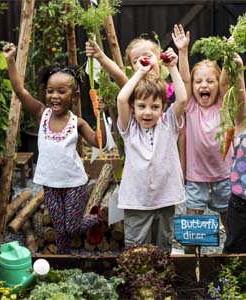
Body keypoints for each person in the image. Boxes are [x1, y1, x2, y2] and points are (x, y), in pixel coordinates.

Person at [3, 43, 107, 254]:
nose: (54, 96)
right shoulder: (42, 113)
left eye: (61, 91)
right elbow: (19, 89)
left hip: (74, 184)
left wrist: (100, 117)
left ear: (74, 96)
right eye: (50, 91)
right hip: (50, 184)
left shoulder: (77, 123)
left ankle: (96, 219)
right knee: (60, 229)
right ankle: (64, 261)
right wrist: (10, 60)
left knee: (72, 226)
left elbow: (99, 143)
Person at [116, 48, 187, 251]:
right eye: (142, 106)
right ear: (133, 108)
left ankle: (159, 281)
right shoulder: (129, 128)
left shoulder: (168, 124)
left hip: (166, 197)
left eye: (154, 107)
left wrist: (172, 67)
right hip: (137, 201)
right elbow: (122, 98)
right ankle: (138, 282)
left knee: (162, 245)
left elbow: (182, 99)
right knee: (137, 248)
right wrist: (139, 72)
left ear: (163, 107)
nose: (148, 112)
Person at [86, 37, 187, 179]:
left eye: (147, 56)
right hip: (137, 137)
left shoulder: (167, 86)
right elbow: (118, 74)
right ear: (133, 68)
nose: (142, 61)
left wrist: (174, 62)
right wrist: (100, 55)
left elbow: (182, 97)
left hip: (165, 140)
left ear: (158, 59)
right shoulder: (134, 91)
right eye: (135, 61)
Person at [172, 24, 233, 253]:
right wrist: (183, 52)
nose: (203, 85)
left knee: (231, 223)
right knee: (193, 229)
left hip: (224, 176)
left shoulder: (224, 104)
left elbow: (228, 80)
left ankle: (233, 258)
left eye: (210, 81)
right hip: (196, 177)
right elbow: (185, 81)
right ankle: (192, 265)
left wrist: (227, 56)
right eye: (199, 82)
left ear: (218, 85)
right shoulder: (191, 106)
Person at [222, 53, 246, 254]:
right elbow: (240, 97)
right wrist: (238, 71)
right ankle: (230, 284)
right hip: (240, 203)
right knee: (234, 249)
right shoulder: (242, 125)